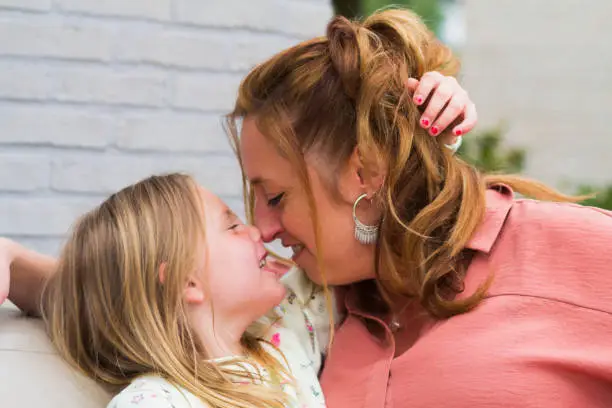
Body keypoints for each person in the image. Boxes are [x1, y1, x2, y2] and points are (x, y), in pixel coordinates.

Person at [225, 8, 612, 408]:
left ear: (366, 172)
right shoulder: (312, 313)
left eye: (275, 197)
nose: (264, 228)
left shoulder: (577, 251)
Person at [41, 173, 329, 408]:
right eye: (232, 226)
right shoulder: (155, 401)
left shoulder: (284, 331)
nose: (257, 232)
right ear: (186, 281)